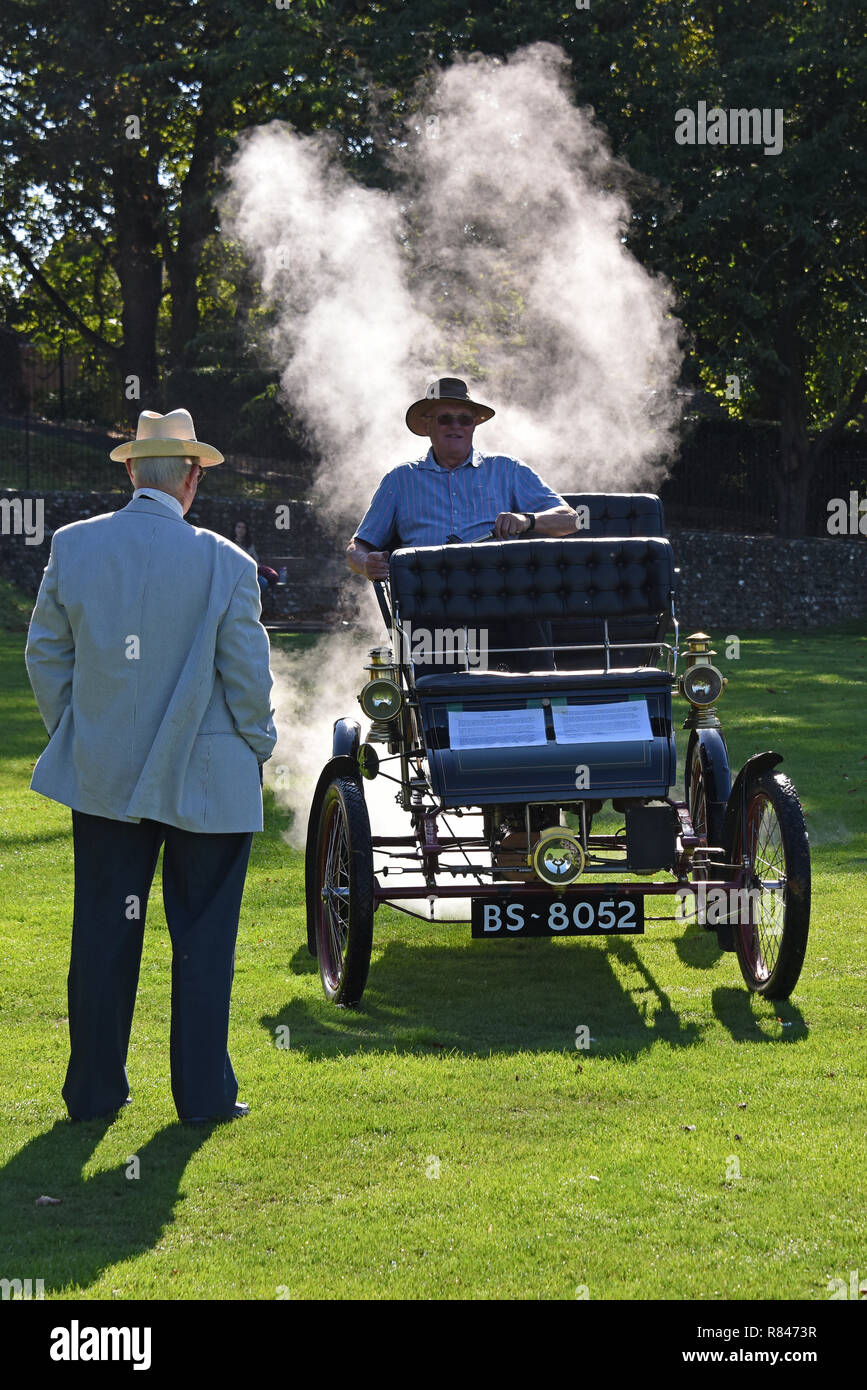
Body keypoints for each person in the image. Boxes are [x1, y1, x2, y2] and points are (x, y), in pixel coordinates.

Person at [25, 408, 277, 1125]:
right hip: (209, 777)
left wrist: (81, 730)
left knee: (104, 932)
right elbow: (247, 680)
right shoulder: (226, 562)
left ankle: (95, 1094)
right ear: (192, 477)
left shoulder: (73, 547)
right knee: (203, 940)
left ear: (133, 469)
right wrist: (258, 745)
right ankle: (203, 1098)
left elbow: (46, 656)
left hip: (105, 774)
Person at [346, 377, 577, 669]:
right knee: (435, 686)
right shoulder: (399, 480)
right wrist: (366, 562)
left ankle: (533, 701)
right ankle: (436, 704)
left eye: (465, 419)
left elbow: (570, 519)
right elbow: (358, 545)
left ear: (474, 426)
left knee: (528, 625)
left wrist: (526, 520)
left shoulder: (508, 469)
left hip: (504, 602)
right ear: (427, 425)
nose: (456, 426)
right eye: (445, 418)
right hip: (430, 608)